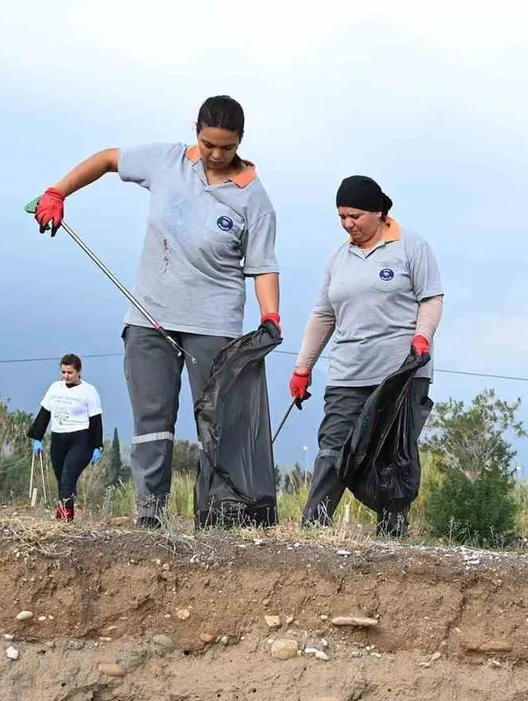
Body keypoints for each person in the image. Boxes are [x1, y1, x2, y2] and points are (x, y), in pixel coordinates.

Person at [29, 95, 281, 528]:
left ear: (241, 141)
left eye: (227, 147)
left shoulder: (254, 199)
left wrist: (270, 317)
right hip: (149, 316)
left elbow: (262, 267)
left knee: (218, 422)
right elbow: (109, 159)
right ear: (195, 132)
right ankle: (150, 516)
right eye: (208, 144)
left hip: (213, 323)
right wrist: (58, 191)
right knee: (152, 419)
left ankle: (220, 516)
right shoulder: (166, 162)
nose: (217, 155)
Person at [290, 175, 443, 537]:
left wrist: (422, 337)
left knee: (392, 454)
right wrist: (303, 367)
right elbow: (324, 314)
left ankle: (391, 533)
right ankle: (314, 527)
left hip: (400, 373)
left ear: (378, 212)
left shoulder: (412, 246)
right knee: (333, 447)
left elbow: (431, 298)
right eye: (342, 217)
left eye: (355, 216)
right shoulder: (337, 258)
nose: (348, 224)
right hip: (348, 372)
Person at [26, 354, 105, 521]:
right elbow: (44, 414)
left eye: (70, 372)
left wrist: (97, 446)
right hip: (58, 439)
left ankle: (63, 518)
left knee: (68, 477)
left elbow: (96, 420)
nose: (66, 376)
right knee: (62, 480)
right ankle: (68, 511)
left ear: (78, 371)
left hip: (80, 440)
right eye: (63, 372)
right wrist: (37, 438)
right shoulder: (55, 388)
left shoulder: (89, 391)